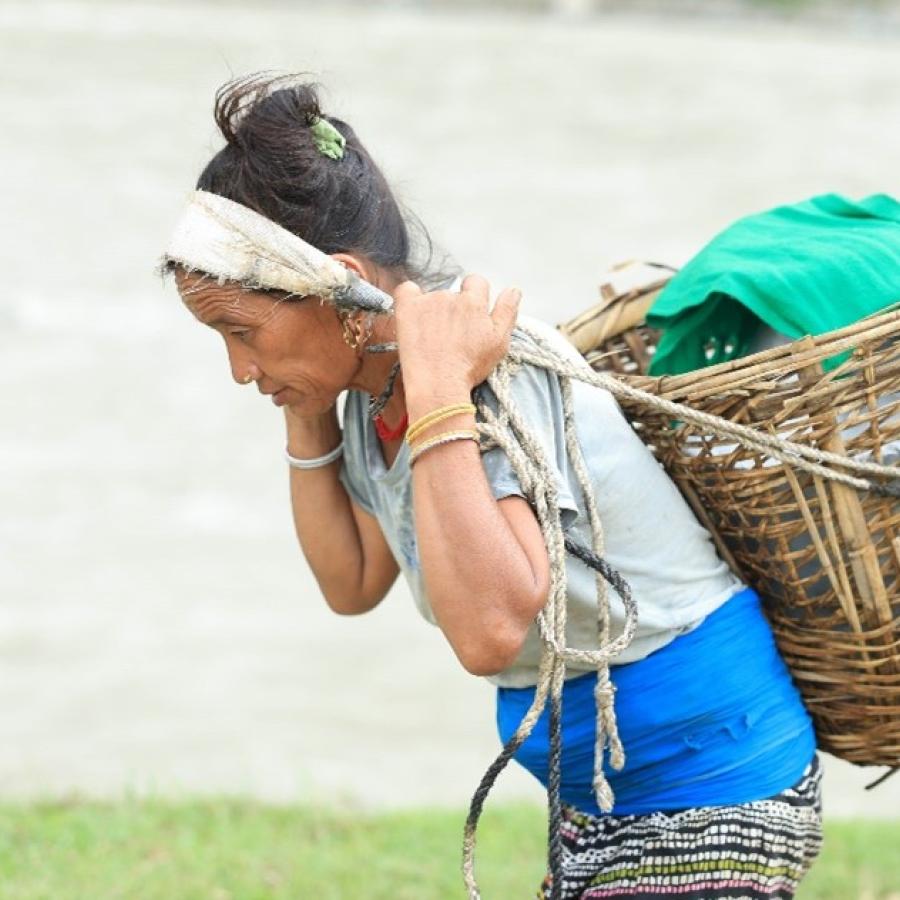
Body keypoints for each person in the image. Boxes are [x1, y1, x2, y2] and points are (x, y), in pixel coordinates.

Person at [163, 74, 823, 899]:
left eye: (243, 332)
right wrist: (304, 409)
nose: (237, 369)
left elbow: (490, 632)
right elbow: (353, 581)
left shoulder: (488, 380)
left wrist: (440, 387)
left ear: (339, 284)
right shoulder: (375, 403)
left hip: (711, 780)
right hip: (601, 801)